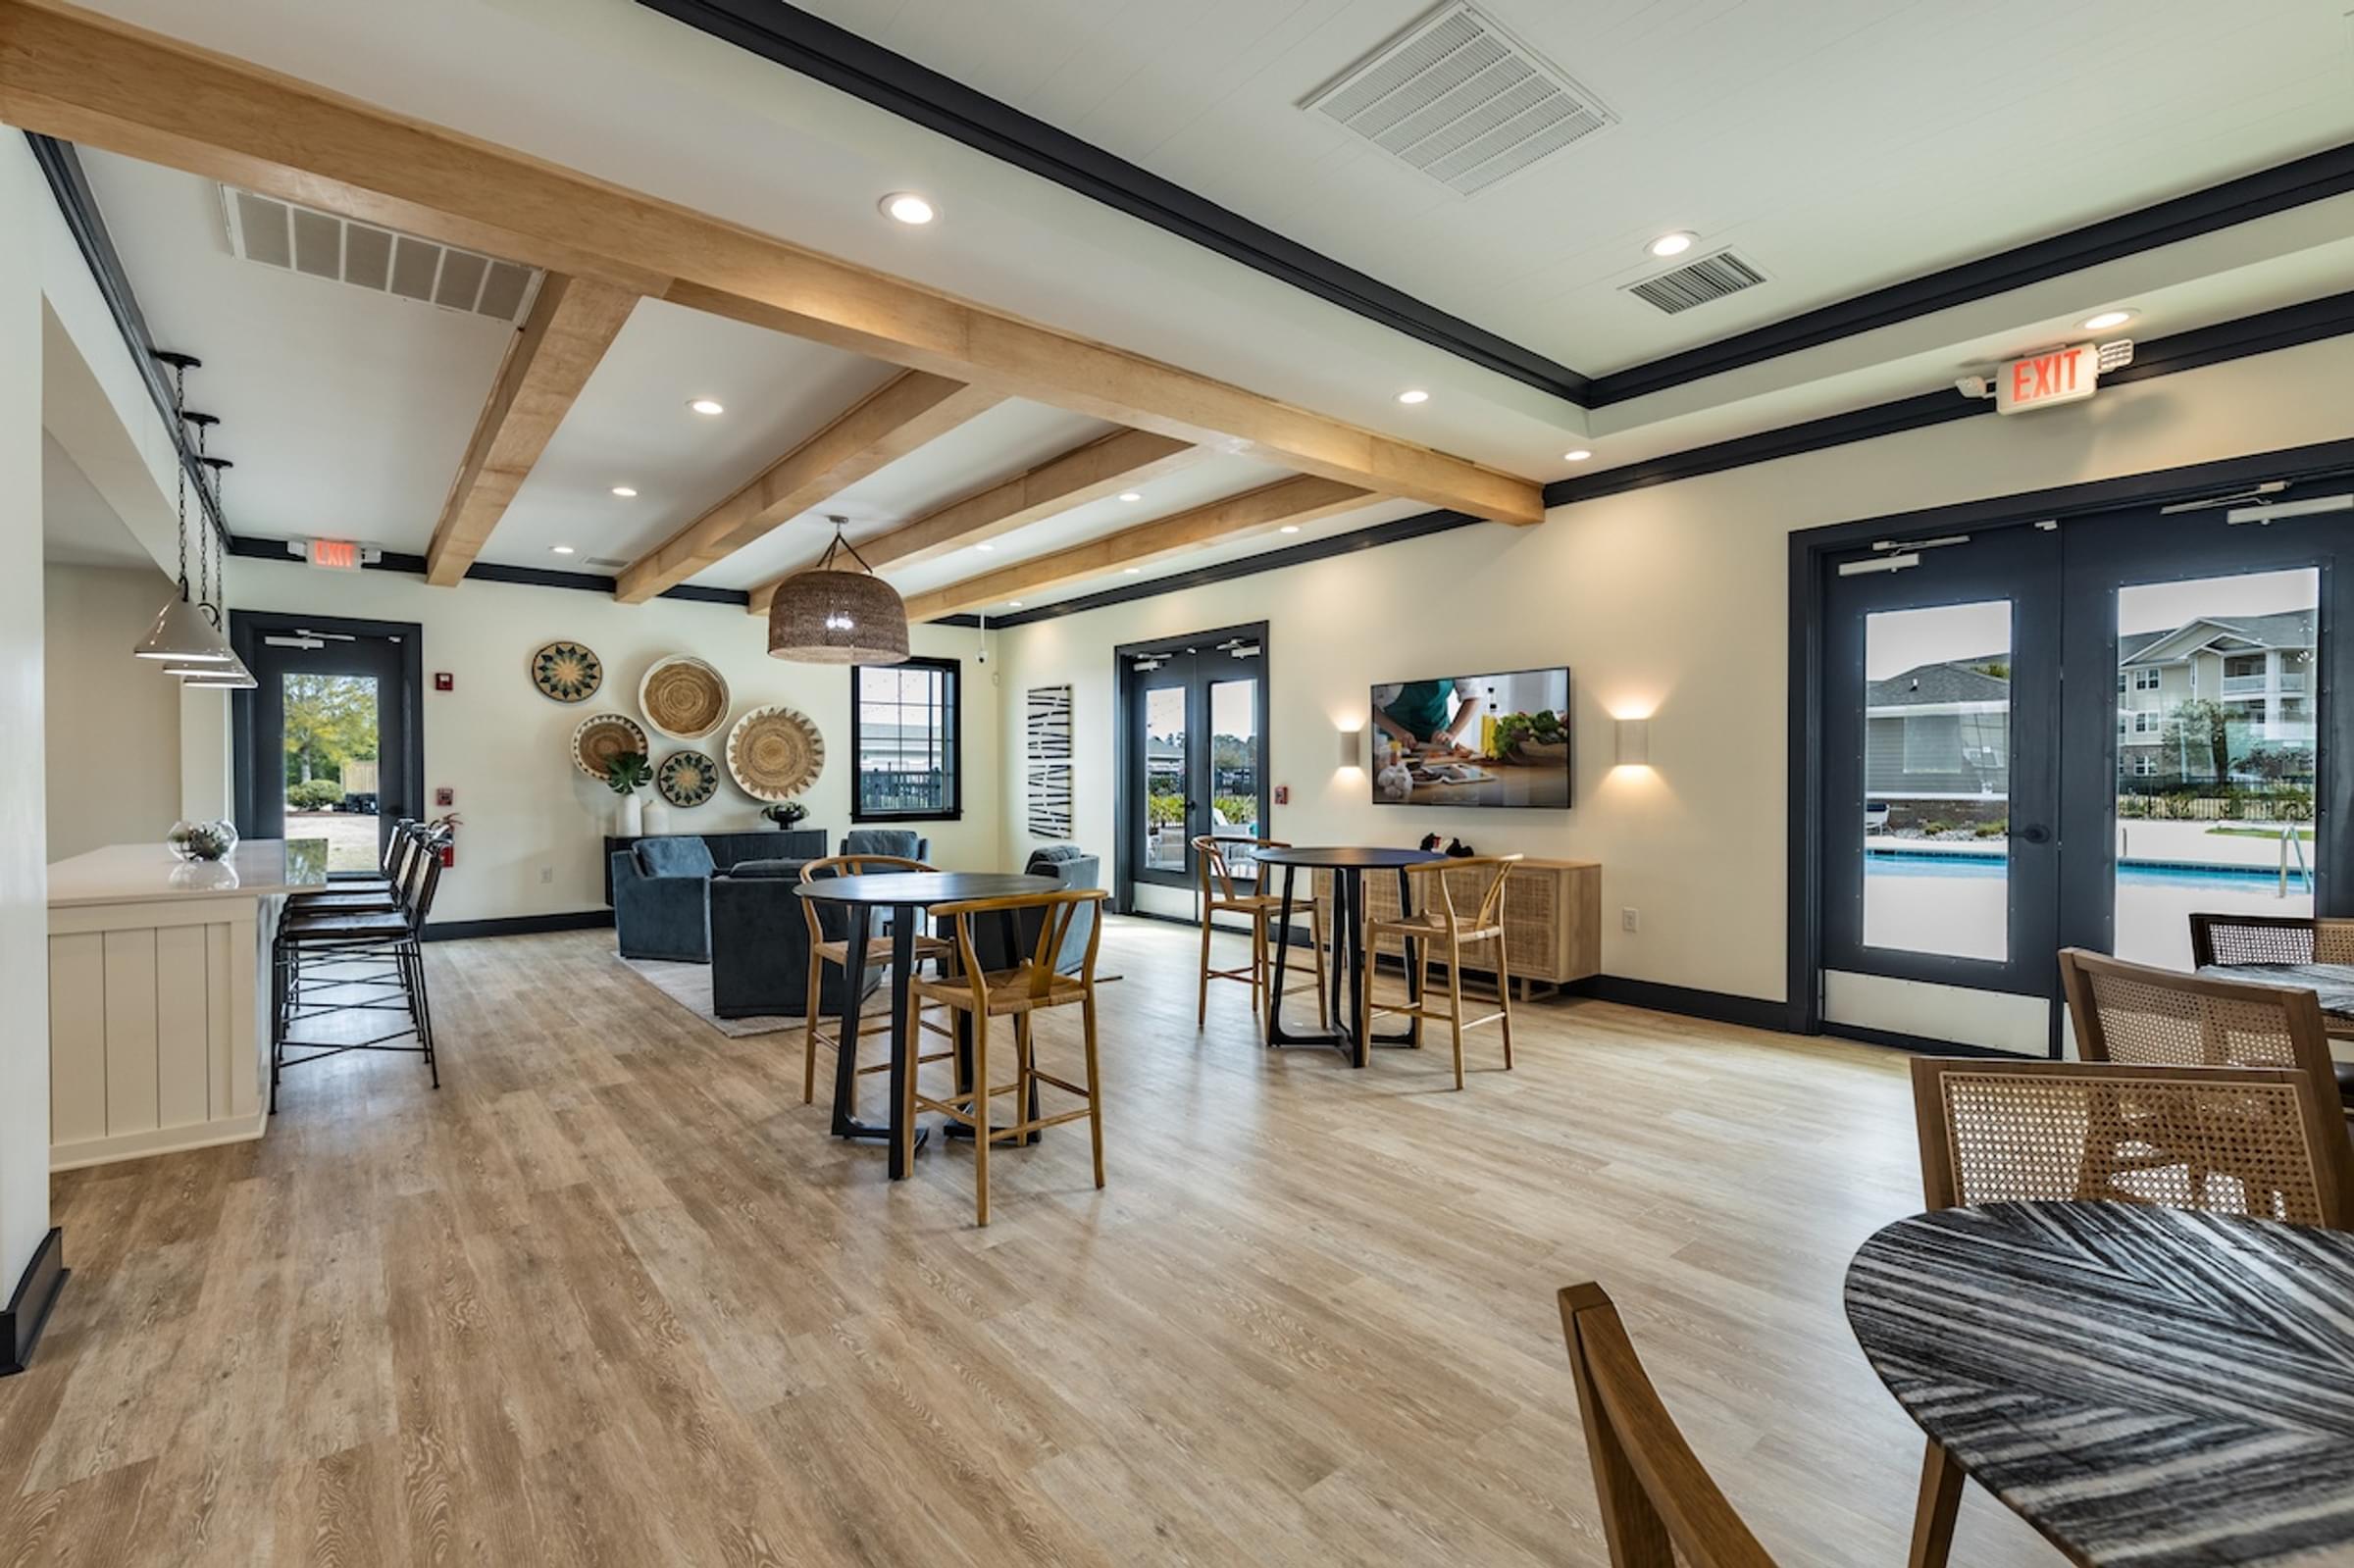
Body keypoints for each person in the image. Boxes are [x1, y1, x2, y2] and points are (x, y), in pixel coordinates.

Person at [1372, 679, 1480, 753]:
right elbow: (1367, 704)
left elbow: (1473, 696)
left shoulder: (1453, 654)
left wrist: (1451, 733)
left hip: (1438, 745)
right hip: (1394, 746)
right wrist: (1396, 731)